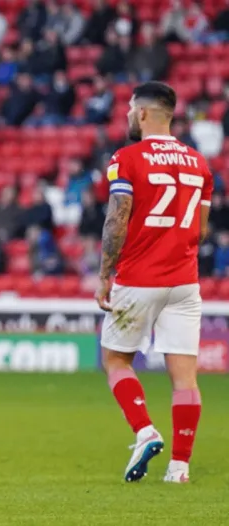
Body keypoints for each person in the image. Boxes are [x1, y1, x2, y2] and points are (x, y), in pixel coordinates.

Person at [96, 82, 213, 484]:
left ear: (143, 113)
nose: (129, 116)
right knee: (185, 378)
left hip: (139, 277)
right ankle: (179, 468)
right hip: (185, 281)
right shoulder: (199, 163)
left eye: (131, 109)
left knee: (115, 359)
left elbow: (116, 220)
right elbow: (200, 230)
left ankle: (145, 430)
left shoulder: (126, 158)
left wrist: (105, 274)